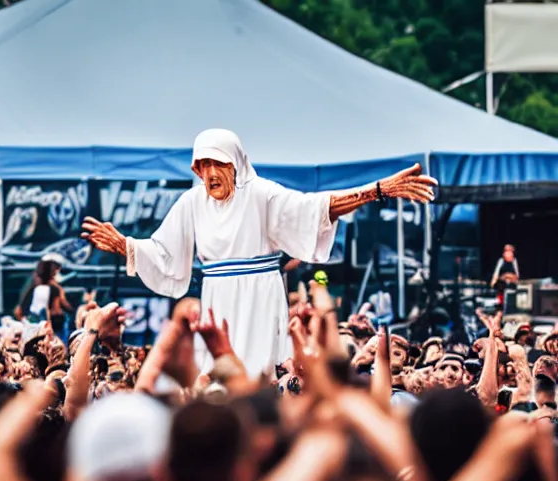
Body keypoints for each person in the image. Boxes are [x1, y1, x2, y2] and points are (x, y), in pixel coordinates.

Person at [81, 128, 436, 376]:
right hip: (217, 296)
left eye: (215, 163)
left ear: (234, 162)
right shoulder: (191, 202)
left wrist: (379, 190)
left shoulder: (261, 194)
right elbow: (162, 252)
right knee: (215, 375)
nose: (209, 174)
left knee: (264, 371)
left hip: (260, 294)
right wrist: (126, 245)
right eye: (201, 166)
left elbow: (316, 208)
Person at [490, 244, 519, 312]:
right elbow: (496, 273)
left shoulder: (514, 261)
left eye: (510, 251)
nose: (508, 253)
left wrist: (511, 277)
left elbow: (517, 275)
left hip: (512, 284)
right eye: (506, 251)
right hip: (502, 284)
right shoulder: (501, 261)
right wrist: (494, 281)